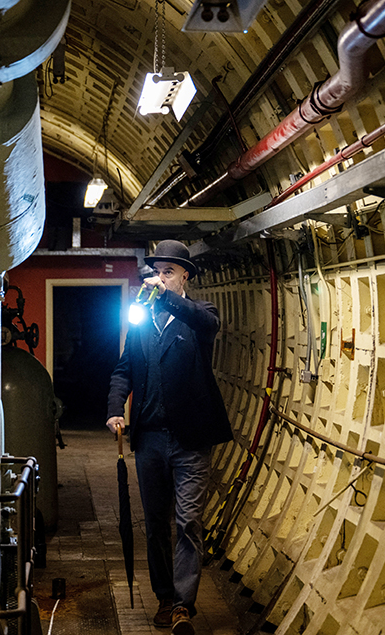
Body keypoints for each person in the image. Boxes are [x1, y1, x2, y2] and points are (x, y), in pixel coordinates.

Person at [106, 239, 233, 634]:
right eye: (156, 271)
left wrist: (167, 298)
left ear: (184, 278)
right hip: (150, 440)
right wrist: (114, 409)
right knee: (156, 522)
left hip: (191, 439)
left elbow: (207, 323)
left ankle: (183, 605)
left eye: (168, 272)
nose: (159, 278)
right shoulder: (142, 318)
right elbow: (124, 368)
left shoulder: (199, 316)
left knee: (188, 520)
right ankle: (163, 596)